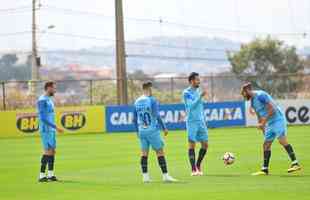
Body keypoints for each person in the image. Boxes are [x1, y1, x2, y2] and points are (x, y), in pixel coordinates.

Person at [241, 82, 301, 175]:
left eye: (243, 93)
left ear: (247, 90)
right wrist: (262, 126)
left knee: (282, 140)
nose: (243, 96)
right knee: (266, 144)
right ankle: (265, 169)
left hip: (277, 119)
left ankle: (295, 163)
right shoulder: (252, 102)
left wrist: (263, 123)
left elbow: (272, 109)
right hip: (269, 122)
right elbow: (259, 115)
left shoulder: (261, 95)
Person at [133, 81, 177, 183]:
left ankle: (145, 177)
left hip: (142, 130)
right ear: (148, 89)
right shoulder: (152, 100)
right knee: (160, 151)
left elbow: (134, 119)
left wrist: (137, 132)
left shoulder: (137, 101)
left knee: (144, 153)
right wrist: (164, 128)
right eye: (151, 89)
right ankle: (165, 176)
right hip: (152, 130)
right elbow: (156, 115)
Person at [182, 72, 208, 176]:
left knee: (205, 145)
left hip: (201, 121)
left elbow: (200, 106)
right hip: (192, 121)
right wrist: (200, 97)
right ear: (191, 81)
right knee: (192, 144)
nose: (199, 81)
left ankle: (198, 165)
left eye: (199, 79)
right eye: (197, 79)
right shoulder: (186, 92)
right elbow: (191, 106)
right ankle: (193, 169)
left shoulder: (198, 91)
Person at [37, 81, 64, 182]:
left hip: (51, 130)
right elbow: (43, 118)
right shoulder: (42, 100)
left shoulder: (49, 100)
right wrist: (56, 127)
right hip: (46, 129)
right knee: (47, 151)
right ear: (48, 88)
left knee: (52, 151)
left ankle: (51, 175)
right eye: (54, 88)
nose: (55, 90)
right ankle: (41, 175)